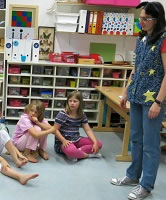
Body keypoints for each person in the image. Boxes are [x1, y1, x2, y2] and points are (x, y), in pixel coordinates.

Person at [111, 2, 166, 200]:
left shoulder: (164, 39)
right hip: (136, 95)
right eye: (140, 18)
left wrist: (158, 102)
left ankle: (146, 185)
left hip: (153, 100)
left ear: (156, 19)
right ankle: (133, 175)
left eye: (145, 19)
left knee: (150, 144)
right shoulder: (142, 38)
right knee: (136, 139)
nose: (141, 22)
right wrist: (125, 91)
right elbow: (136, 67)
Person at [0, 104, 39, 185]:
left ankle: (16, 161)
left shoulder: (2, 126)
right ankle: (20, 177)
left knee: (3, 133)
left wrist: (19, 155)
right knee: (0, 164)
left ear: (1, 116)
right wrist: (2, 160)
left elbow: (9, 142)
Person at [53, 91, 103, 161]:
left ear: (80, 103)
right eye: (70, 101)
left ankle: (77, 153)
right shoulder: (62, 114)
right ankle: (86, 155)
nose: (72, 103)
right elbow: (54, 130)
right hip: (62, 142)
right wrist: (63, 140)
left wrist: (95, 142)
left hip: (76, 139)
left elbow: (88, 130)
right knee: (71, 151)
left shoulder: (81, 114)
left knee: (99, 144)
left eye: (75, 101)